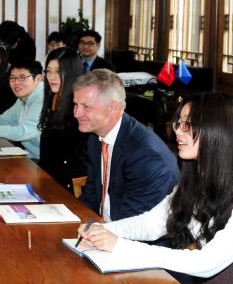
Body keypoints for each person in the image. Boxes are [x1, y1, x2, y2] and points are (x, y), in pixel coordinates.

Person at [79, 93, 233, 284]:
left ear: (218, 132)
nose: (177, 131)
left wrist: (120, 246)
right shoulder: (197, 181)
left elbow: (206, 263)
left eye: (188, 125)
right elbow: (151, 224)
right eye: (179, 123)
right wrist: (103, 230)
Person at [75, 69, 178, 222]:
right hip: (104, 226)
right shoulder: (95, 138)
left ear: (113, 108)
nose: (76, 113)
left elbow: (134, 223)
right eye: (76, 105)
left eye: (86, 106)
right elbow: (91, 194)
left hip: (131, 232)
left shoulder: (145, 154)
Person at [38, 47, 89, 192]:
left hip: (70, 185)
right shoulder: (54, 98)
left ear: (72, 73)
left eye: (58, 71)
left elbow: (72, 159)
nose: (51, 77)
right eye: (48, 71)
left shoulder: (79, 107)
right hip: (50, 179)